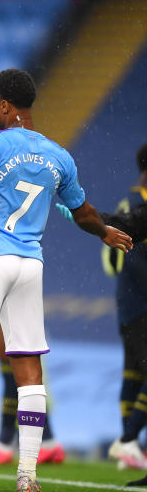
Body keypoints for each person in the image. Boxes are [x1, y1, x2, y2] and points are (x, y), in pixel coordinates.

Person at [0, 68, 132, 492]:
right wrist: (106, 233)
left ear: (4, 105)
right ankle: (28, 474)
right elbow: (82, 214)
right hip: (30, 264)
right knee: (27, 365)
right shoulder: (59, 155)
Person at [102, 144, 147, 472]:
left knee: (134, 371)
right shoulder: (139, 203)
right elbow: (133, 259)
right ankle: (129, 439)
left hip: (129, 298)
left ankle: (128, 444)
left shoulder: (129, 200)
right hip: (140, 299)